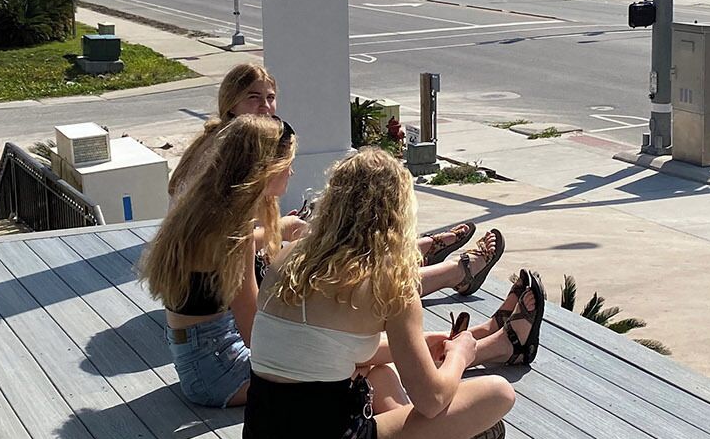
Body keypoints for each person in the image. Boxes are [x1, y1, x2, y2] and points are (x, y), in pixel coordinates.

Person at [245, 147, 544, 439]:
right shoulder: (390, 282)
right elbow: (431, 400)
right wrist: (462, 355)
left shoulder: (286, 258)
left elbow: (327, 345)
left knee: (382, 374)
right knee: (497, 394)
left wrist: (423, 341)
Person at [169, 61, 500, 295]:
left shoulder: (222, 141)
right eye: (254, 98)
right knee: (351, 276)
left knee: (331, 248)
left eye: (270, 97)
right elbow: (226, 242)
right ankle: (455, 271)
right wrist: (283, 232)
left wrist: (284, 229)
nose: (266, 107)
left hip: (223, 278)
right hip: (225, 287)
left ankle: (420, 250)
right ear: (231, 104)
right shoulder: (233, 151)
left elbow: (230, 236)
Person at [137, 114, 296, 408]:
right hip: (219, 374)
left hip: (198, 360)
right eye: (288, 164)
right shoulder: (232, 235)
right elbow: (254, 333)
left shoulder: (207, 210)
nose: (292, 172)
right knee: (344, 368)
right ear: (267, 169)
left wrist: (283, 229)